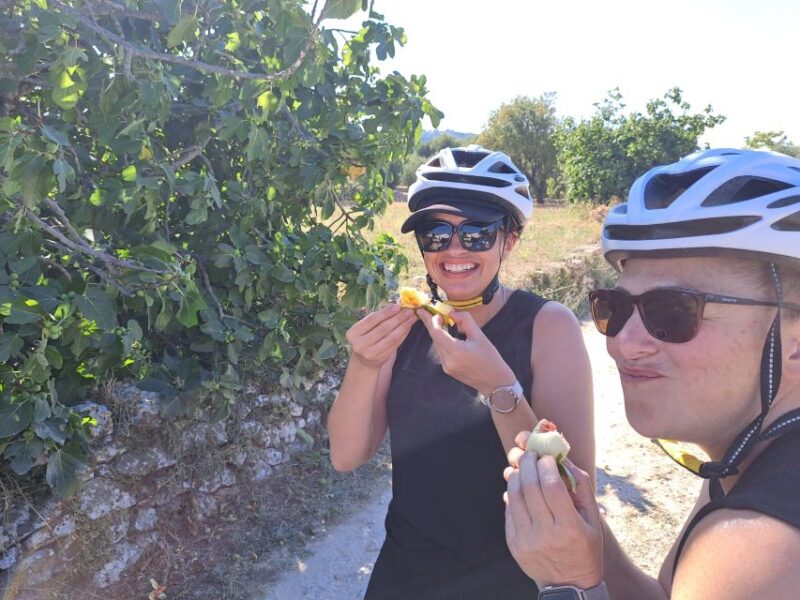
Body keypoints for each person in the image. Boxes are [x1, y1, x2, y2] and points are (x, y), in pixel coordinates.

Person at [504, 148, 800, 600]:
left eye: (675, 310)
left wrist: (566, 586)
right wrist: (588, 540)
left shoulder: (757, 546)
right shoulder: (750, 458)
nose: (623, 343)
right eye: (615, 308)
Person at [327, 145, 595, 599]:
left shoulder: (548, 327)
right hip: (405, 575)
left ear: (509, 240)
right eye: (435, 233)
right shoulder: (406, 325)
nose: (453, 250)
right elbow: (346, 456)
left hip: (511, 580)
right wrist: (365, 363)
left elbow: (574, 492)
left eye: (476, 233)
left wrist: (498, 387)